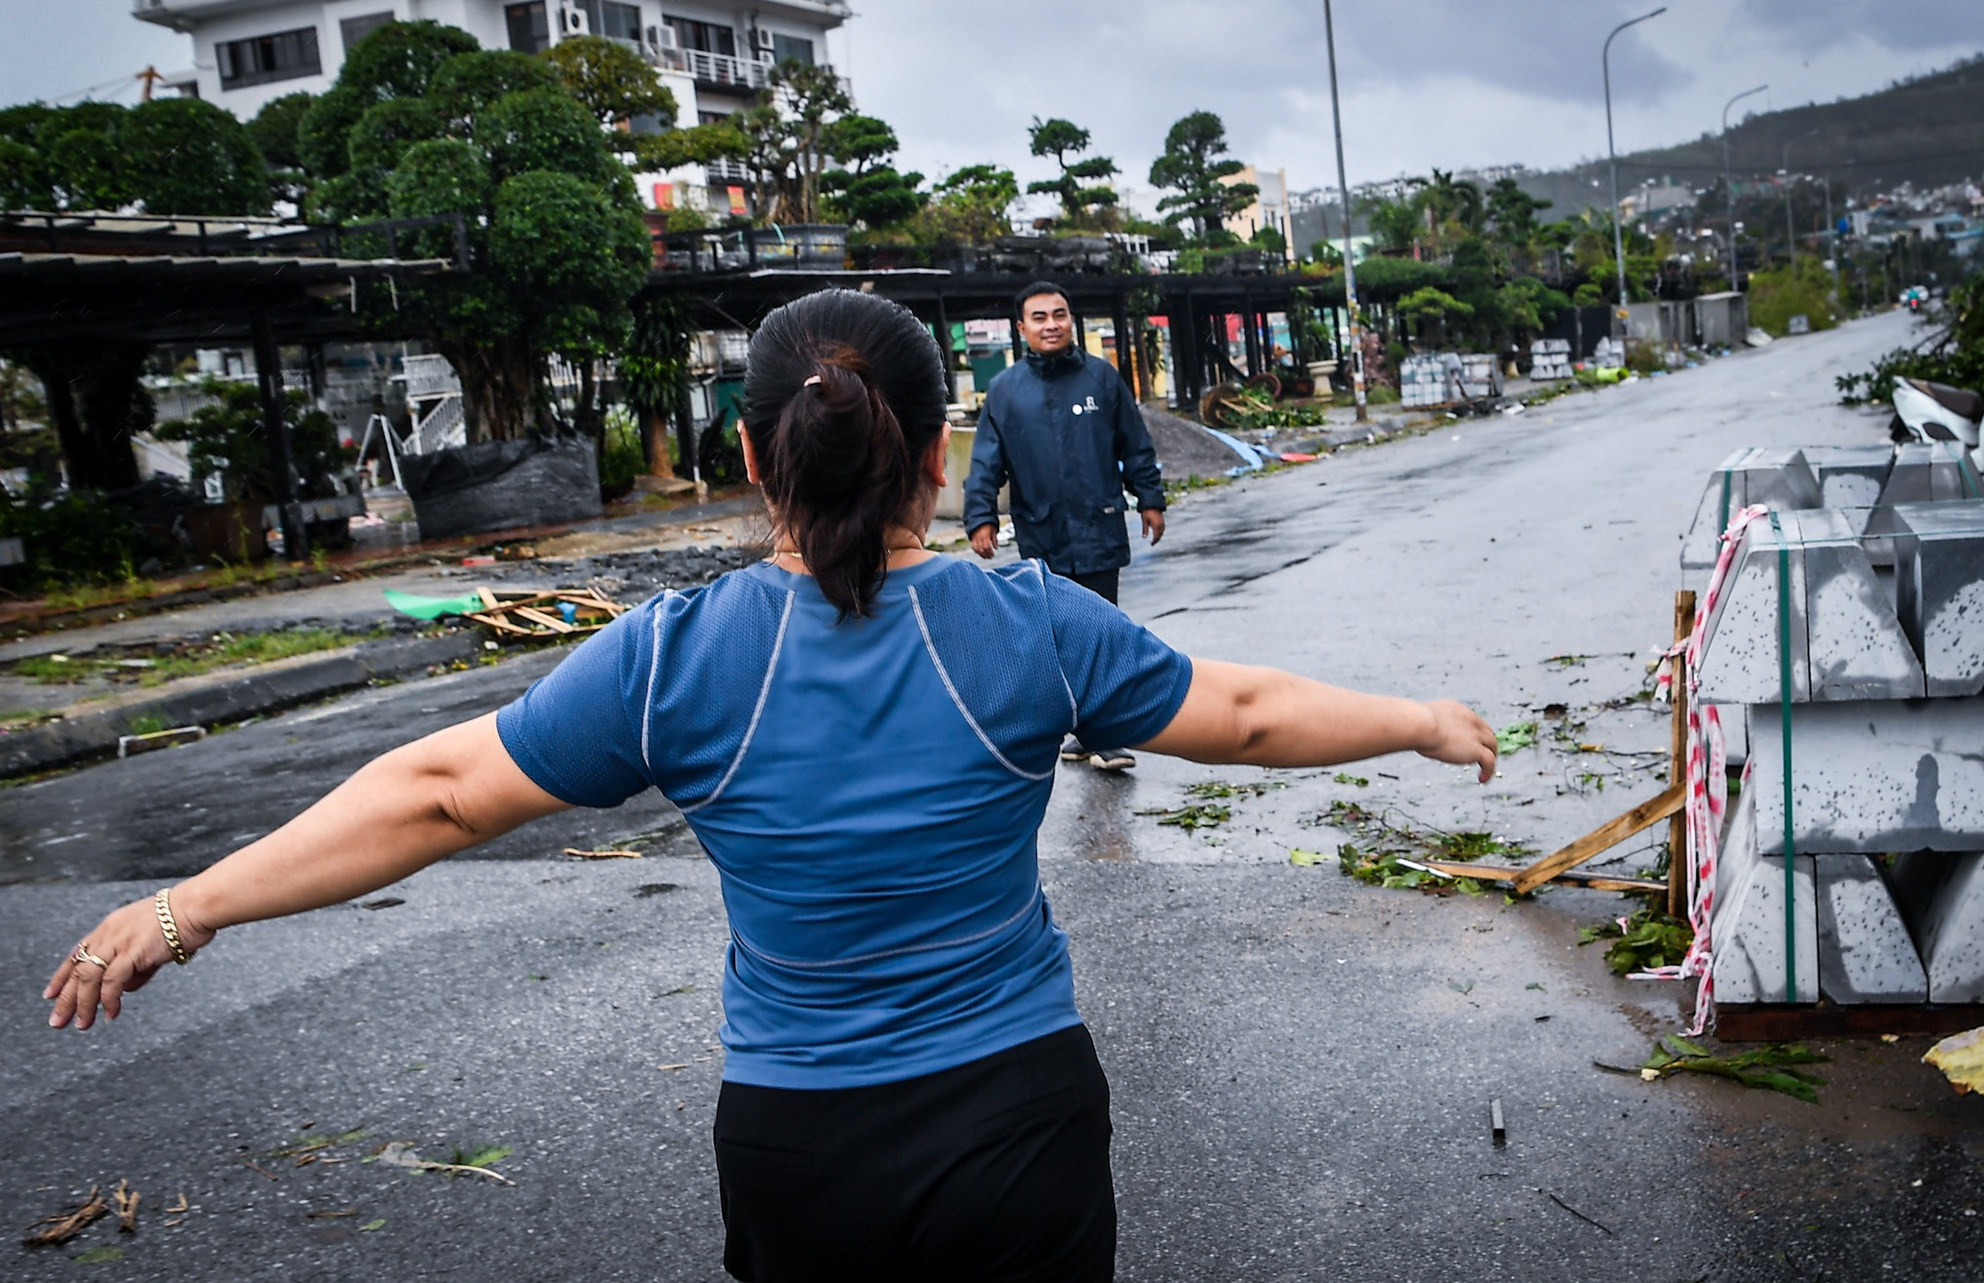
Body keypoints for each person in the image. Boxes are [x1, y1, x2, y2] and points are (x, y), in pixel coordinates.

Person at [44, 289, 1496, 1283]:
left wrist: (188, 906)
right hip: (1020, 1125)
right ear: (943, 455)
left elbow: (435, 795)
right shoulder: (1029, 624)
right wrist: (1417, 719)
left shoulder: (678, 657)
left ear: (751, 457)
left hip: (804, 1147)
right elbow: (1240, 714)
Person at [963, 281, 1165, 771]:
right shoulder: (1006, 392)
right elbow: (987, 461)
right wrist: (981, 517)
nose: (1051, 324)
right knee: (1053, 637)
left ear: (1071, 321)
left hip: (1098, 527)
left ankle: (1106, 734)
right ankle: (1082, 730)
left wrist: (1150, 500)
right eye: (1039, 317)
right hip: (1042, 534)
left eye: (1059, 314)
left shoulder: (1102, 379)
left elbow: (1134, 446)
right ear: (1022, 328)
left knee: (1102, 632)